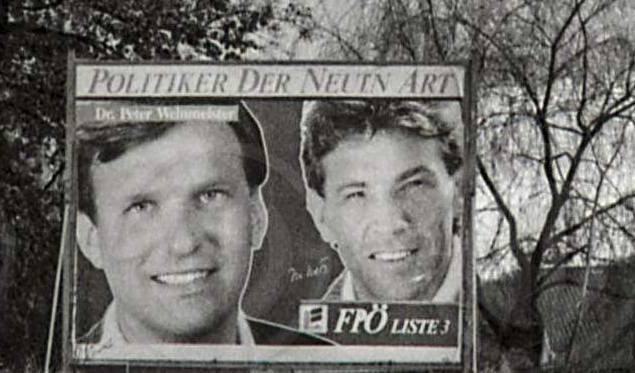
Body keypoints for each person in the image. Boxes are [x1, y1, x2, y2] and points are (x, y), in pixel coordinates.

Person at [74, 107, 309, 349]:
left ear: (256, 216)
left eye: (210, 195)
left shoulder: (321, 366)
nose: (184, 244)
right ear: (91, 239)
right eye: (141, 207)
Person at [298, 97, 463, 306]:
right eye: (356, 194)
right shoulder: (297, 336)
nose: (390, 224)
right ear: (319, 214)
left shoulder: (505, 316)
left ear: (459, 191)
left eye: (414, 185)